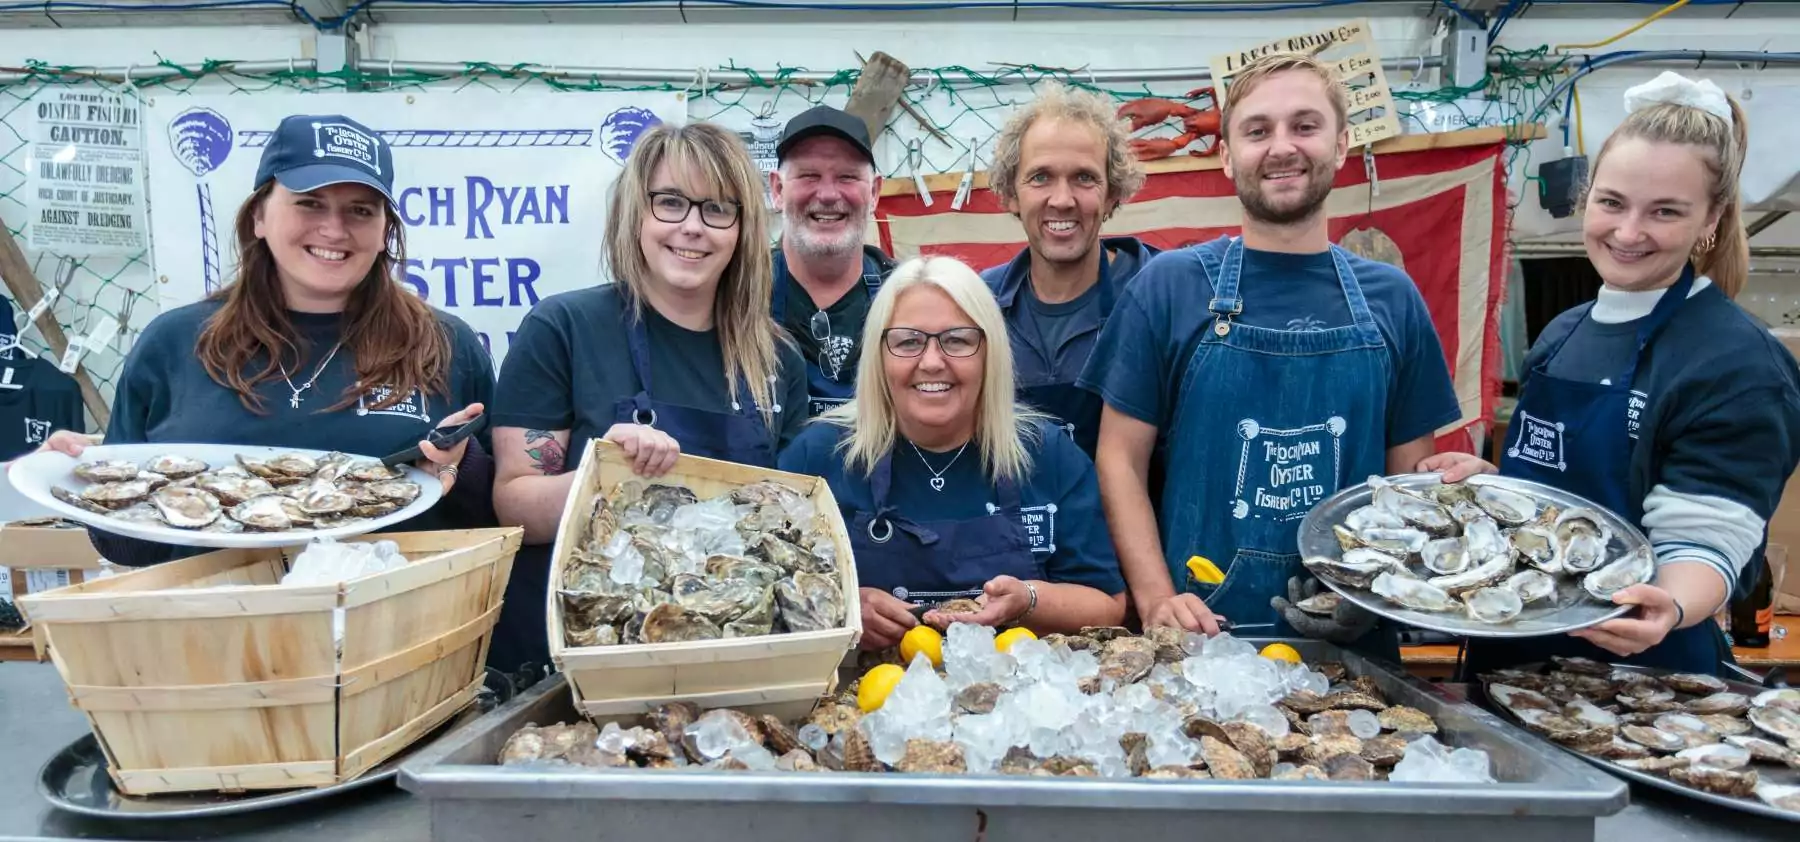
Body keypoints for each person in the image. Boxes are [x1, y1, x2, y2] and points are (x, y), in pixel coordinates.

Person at [1077, 52, 1462, 650]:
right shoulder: (1170, 287)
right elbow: (1119, 460)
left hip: (1354, 649)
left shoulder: (1395, 299)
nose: (1282, 146)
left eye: (1304, 126)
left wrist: (1381, 594)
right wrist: (1155, 599)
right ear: (1227, 155)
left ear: (1340, 145)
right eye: (1258, 131)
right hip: (1200, 641)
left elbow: (1407, 486)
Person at [1424, 72, 1800, 677]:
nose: (1628, 232)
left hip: (1642, 675)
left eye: (1665, 212)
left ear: (1712, 217)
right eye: (1612, 203)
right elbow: (1562, 504)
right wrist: (1496, 487)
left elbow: (1708, 536)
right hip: (1507, 660)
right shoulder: (1563, 334)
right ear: (1586, 196)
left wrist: (1671, 604)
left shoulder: (1738, 363)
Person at [37, 114, 494, 567]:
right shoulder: (173, 343)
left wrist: (460, 466)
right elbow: (129, 548)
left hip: (396, 622)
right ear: (258, 215)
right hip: (216, 625)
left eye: (360, 210)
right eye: (309, 203)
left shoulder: (444, 343)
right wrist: (83, 479)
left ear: (384, 231)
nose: (334, 230)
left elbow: (494, 521)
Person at [490, 122, 809, 679]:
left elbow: (794, 520)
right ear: (635, 213)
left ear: (742, 230)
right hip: (576, 660)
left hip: (728, 659)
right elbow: (514, 507)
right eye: (670, 203)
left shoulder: (776, 360)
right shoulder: (563, 328)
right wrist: (601, 472)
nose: (692, 227)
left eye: (717, 209)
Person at [780, 256, 1127, 651]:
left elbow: (1108, 605)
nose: (931, 362)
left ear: (989, 352)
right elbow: (776, 596)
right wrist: (846, 608)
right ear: (879, 355)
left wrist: (1029, 600)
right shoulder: (818, 458)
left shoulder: (1049, 456)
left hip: (1012, 699)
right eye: (908, 341)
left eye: (957, 340)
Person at [980, 82, 1157, 459]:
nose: (1062, 200)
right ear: (1011, 194)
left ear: (1112, 195)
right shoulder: (978, 307)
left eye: (1084, 177)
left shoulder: (1160, 294)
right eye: (1040, 177)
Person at [770, 105, 898, 418]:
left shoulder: (907, 296)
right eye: (809, 175)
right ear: (777, 190)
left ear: (875, 192)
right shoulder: (734, 293)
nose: (828, 194)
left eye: (847, 177)